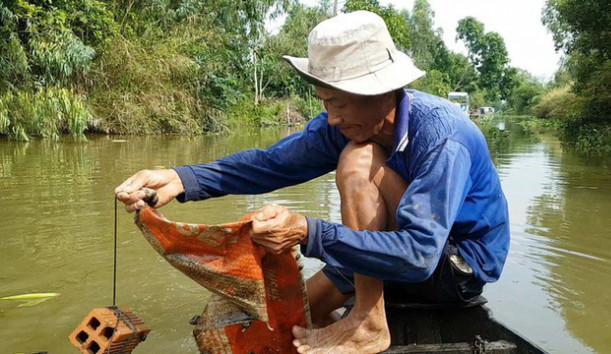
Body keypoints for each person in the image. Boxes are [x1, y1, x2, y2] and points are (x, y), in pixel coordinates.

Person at [115, 10, 509, 354]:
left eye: (339, 101)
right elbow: (271, 165)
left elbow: (419, 253)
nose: (332, 117)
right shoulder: (349, 124)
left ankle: (369, 323)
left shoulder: (444, 136)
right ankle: (356, 318)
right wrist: (183, 178)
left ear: (382, 91)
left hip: (455, 267)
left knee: (358, 160)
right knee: (292, 323)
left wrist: (307, 232)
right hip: (397, 250)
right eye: (326, 102)